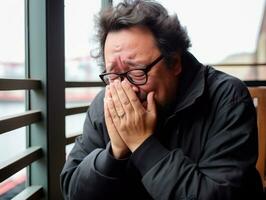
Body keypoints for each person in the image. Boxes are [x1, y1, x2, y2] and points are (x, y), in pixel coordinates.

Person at [60, 0, 264, 199]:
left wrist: (142, 144)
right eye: (114, 75)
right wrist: (114, 153)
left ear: (174, 62)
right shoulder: (105, 102)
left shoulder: (227, 97)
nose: (126, 88)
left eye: (137, 71)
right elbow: (72, 190)